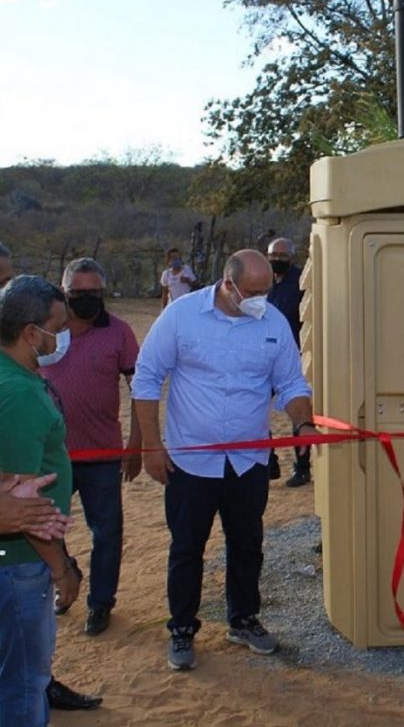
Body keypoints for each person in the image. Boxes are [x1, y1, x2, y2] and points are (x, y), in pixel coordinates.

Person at [132, 249, 317, 672]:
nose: (260, 300)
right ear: (227, 284)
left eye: (265, 291)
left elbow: (290, 381)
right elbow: (146, 379)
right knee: (187, 548)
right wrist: (151, 447)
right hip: (190, 463)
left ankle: (244, 619)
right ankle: (181, 627)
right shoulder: (182, 316)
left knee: (248, 544)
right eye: (251, 292)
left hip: (249, 460)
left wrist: (303, 424)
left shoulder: (272, 322)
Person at [41, 257, 142, 636]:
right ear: (63, 292)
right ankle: (65, 573)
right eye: (77, 293)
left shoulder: (119, 332)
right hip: (50, 456)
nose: (86, 299)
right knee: (47, 529)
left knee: (107, 532)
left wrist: (136, 441)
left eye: (94, 293)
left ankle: (101, 603)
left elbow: (140, 389)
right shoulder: (44, 332)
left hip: (102, 454)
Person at [0, 275, 80, 726]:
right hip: (19, 564)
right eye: (58, 325)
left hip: (14, 559)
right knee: (26, 683)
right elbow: (24, 506)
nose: (63, 335)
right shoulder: (19, 394)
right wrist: (60, 568)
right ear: (32, 333)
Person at [266, 237, 312, 487]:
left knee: (298, 412)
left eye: (282, 256)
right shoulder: (264, 283)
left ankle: (302, 468)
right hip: (267, 356)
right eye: (273, 256)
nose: (277, 261)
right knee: (256, 408)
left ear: (291, 258)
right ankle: (268, 460)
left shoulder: (300, 283)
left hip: (295, 358)